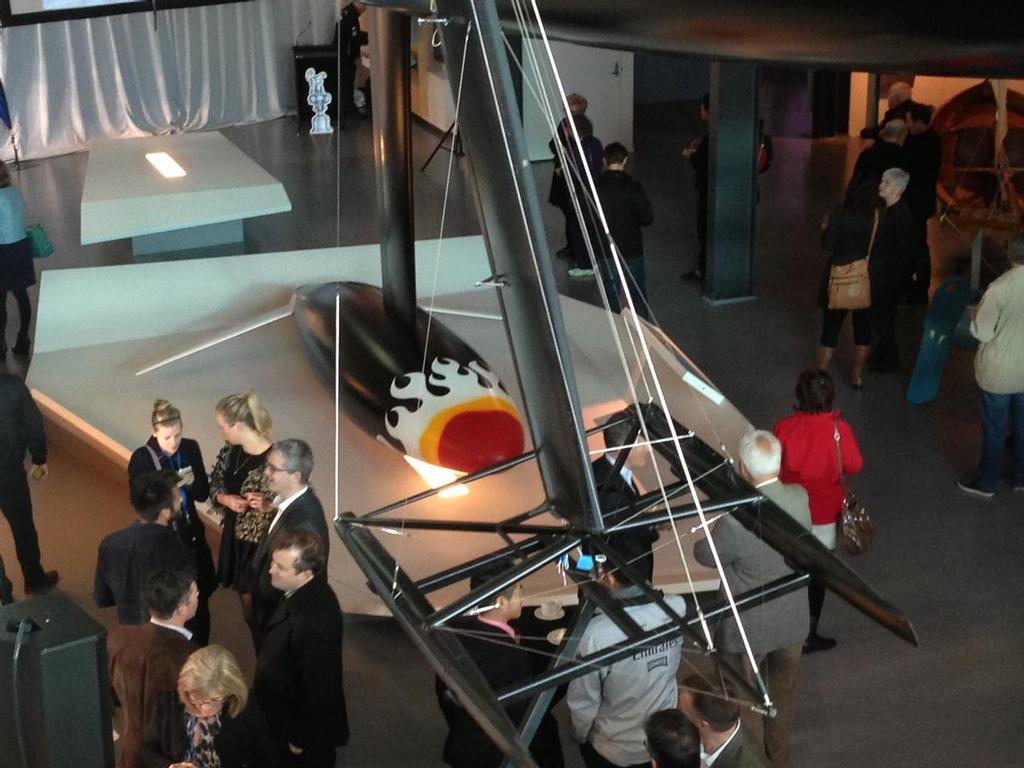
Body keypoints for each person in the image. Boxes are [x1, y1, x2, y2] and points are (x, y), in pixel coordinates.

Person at [692, 430, 809, 768]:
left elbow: (706, 555)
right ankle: (779, 759)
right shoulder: (800, 498)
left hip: (746, 628)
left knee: (738, 700)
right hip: (791, 621)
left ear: (742, 467)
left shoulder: (735, 520)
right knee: (782, 697)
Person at [567, 536, 686, 768]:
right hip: (661, 741)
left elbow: (583, 701)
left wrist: (579, 736)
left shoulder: (597, 634)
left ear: (609, 577)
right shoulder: (677, 606)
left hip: (613, 748)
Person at [435, 566, 564, 768]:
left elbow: (443, 691)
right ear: (500, 601)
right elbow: (524, 717)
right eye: (519, 591)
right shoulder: (511, 657)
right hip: (493, 753)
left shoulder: (457, 629)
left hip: (464, 737)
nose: (522, 597)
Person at [773, 370, 862, 653]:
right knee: (817, 575)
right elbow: (854, 465)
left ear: (800, 395)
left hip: (791, 511)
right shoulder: (839, 430)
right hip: (824, 515)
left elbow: (776, 468)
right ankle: (809, 633)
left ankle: (781, 628)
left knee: (789, 568)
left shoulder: (784, 428)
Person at [254, 531, 348, 767]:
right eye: (273, 562)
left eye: (280, 567)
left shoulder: (311, 622)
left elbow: (320, 688)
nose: (271, 570)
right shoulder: (304, 593)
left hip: (298, 733)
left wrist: (300, 737)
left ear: (305, 574)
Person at [128, 399, 215, 645]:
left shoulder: (190, 448)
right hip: (164, 537)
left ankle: (200, 646)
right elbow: (141, 503)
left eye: (178, 434)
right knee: (170, 599)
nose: (174, 442)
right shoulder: (142, 459)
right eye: (167, 437)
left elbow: (202, 494)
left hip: (191, 533)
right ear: (153, 432)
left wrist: (189, 483)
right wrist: (168, 486)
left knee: (199, 599)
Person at [107, 567, 198, 768]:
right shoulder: (190, 658)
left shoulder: (117, 638)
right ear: (181, 608)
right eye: (195, 595)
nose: (198, 597)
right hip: (169, 754)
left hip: (129, 747)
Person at [957, 234, 1024, 499]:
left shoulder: (999, 287)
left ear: (1011, 255)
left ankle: (987, 482)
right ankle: (1020, 477)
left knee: (995, 429)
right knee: (1022, 426)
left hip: (999, 372)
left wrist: (974, 315)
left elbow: (982, 333)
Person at [248, 438, 329, 649]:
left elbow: (295, 584)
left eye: (274, 469)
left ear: (296, 475)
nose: (266, 472)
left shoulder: (305, 523)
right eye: (268, 465)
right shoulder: (289, 503)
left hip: (278, 616)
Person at [140, 645, 279, 768]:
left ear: (230, 692)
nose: (204, 708)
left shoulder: (246, 710)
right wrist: (170, 766)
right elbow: (147, 750)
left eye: (214, 699)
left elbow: (268, 760)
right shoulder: (168, 702)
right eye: (197, 699)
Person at [95, 470, 194, 625]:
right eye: (177, 498)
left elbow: (103, 598)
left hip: (128, 626)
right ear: (165, 513)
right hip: (164, 631)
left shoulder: (109, 543)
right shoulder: (178, 550)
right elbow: (187, 602)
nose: (181, 499)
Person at [209, 390, 275, 616]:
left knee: (257, 606)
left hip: (259, 545)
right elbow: (215, 483)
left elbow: (293, 501)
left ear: (237, 425)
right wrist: (224, 498)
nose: (221, 432)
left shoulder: (274, 459)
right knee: (245, 606)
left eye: (222, 426)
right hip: (234, 537)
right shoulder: (230, 450)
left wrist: (268, 504)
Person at [816, 176, 879, 388]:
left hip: (838, 276)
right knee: (863, 331)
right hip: (865, 278)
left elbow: (827, 244)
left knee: (830, 329)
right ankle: (856, 376)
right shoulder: (876, 217)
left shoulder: (837, 213)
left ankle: (820, 375)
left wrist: (825, 227)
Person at [0, 373, 58, 595]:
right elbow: (33, 423)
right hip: (10, 472)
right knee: (23, 526)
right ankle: (34, 578)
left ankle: (2, 591)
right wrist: (39, 458)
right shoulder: (12, 386)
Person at [589, 408, 659, 582]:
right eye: (643, 443)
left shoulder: (599, 470)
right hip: (621, 582)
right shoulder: (605, 486)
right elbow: (629, 535)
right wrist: (652, 521)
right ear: (623, 448)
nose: (649, 449)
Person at [596, 142, 654, 319]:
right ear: (625, 160)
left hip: (606, 247)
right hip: (631, 246)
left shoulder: (596, 187)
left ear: (604, 160)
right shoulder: (634, 188)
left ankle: (615, 326)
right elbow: (647, 218)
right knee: (637, 292)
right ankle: (644, 328)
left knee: (611, 290)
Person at [869, 168, 913, 374]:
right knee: (881, 317)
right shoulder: (891, 210)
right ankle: (882, 353)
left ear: (897, 188)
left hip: (887, 276)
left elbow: (899, 250)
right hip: (884, 273)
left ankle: (887, 357)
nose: (881, 185)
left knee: (884, 317)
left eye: (886, 182)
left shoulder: (898, 215)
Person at [677, 676, 767, 768]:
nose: (676, 712)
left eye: (681, 710)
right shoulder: (724, 721)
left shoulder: (746, 764)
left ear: (702, 725)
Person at [902, 102, 942, 303]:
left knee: (916, 244)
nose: (907, 124)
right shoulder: (930, 139)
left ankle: (918, 288)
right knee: (914, 243)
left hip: (916, 202)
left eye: (909, 121)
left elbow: (912, 169)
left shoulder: (923, 143)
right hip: (920, 201)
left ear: (918, 122)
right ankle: (912, 284)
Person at [561, 115, 605, 280]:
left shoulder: (574, 149)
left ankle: (585, 264)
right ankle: (594, 259)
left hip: (581, 192)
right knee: (592, 226)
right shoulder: (595, 143)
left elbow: (575, 172)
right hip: (595, 190)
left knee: (579, 227)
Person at [0, 160, 35, 360]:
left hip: (3, 252)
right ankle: (23, 338)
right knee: (21, 295)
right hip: (20, 248)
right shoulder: (14, 193)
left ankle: (0, 344)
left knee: (0, 299)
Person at [549, 93, 589, 259]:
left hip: (570, 175)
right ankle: (572, 245)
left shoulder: (576, 128)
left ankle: (576, 247)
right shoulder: (565, 125)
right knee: (569, 211)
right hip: (563, 173)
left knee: (573, 213)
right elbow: (554, 144)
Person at [681, 94, 709, 282]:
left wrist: (690, 155)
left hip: (707, 189)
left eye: (702, 107)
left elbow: (701, 162)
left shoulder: (712, 134)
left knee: (704, 229)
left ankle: (704, 269)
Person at [333, 1, 368, 125]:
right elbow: (353, 38)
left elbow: (355, 36)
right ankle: (347, 109)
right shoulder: (349, 15)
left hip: (345, 55)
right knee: (346, 82)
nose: (366, 9)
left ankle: (348, 107)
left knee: (348, 82)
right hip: (345, 56)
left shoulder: (349, 14)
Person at [850, 119, 907, 189]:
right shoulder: (901, 155)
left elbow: (856, 179)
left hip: (865, 193)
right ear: (901, 135)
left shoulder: (867, 152)